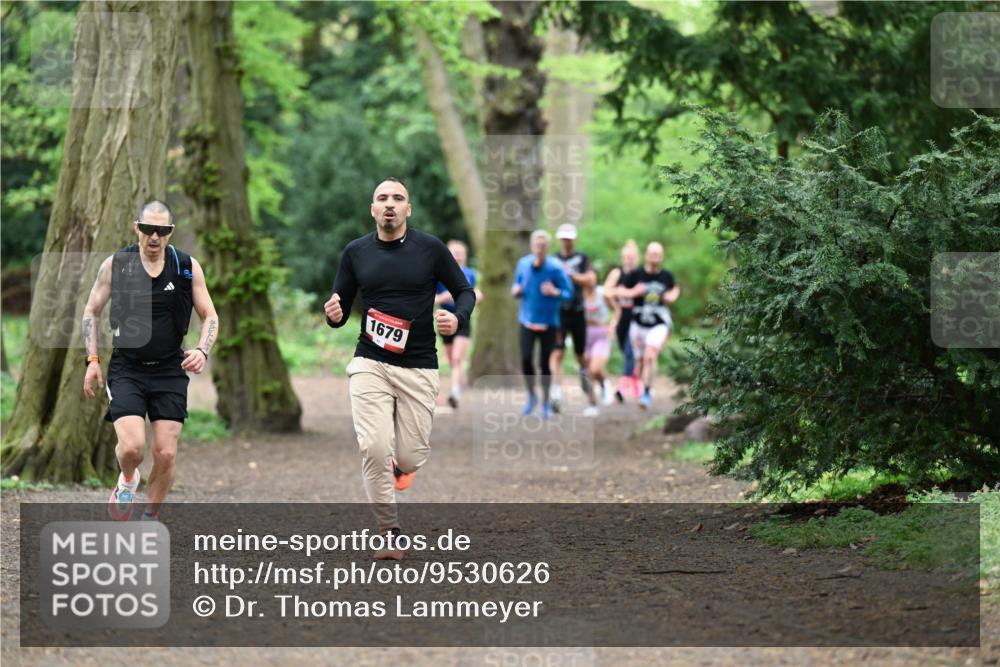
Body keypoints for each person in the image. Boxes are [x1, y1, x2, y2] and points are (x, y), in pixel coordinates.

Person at [324, 178, 475, 560]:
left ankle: (401, 467)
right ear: (372, 209)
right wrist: (334, 314)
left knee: (409, 457)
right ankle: (389, 533)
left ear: (408, 209)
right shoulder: (356, 252)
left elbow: (465, 291)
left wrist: (457, 318)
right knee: (373, 448)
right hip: (369, 361)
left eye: (398, 198)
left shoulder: (430, 248)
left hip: (419, 366)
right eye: (382, 198)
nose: (389, 204)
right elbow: (339, 305)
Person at [82, 200, 219, 521]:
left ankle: (150, 517)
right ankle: (128, 478)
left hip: (170, 370)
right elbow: (91, 310)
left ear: (170, 232)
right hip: (127, 369)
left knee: (166, 453)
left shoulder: (186, 267)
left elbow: (209, 315)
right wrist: (92, 360)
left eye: (162, 231)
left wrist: (202, 349)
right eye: (148, 229)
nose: (154, 237)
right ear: (137, 228)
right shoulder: (116, 265)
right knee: (132, 449)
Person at [512, 230, 574, 419]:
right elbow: (516, 286)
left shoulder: (555, 268)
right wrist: (516, 290)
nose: (539, 248)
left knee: (545, 364)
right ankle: (532, 396)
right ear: (532, 246)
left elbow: (569, 293)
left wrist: (555, 292)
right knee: (525, 360)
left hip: (548, 323)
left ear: (547, 247)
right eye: (536, 245)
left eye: (543, 245)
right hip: (527, 321)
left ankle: (546, 402)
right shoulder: (523, 264)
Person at [619, 242, 680, 409]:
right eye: (652, 253)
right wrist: (633, 293)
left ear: (662, 256)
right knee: (639, 361)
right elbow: (618, 291)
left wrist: (671, 297)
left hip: (658, 323)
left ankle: (646, 393)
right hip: (638, 324)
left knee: (650, 355)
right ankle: (637, 386)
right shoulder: (635, 274)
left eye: (658, 254)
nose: (655, 257)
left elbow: (675, 289)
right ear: (646, 255)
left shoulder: (667, 276)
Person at [550, 223, 597, 414]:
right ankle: (556, 394)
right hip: (559, 312)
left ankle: (591, 397)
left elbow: (591, 280)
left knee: (581, 357)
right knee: (557, 353)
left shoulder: (582, 259)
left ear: (574, 240)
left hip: (578, 312)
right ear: (559, 240)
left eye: (570, 238)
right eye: (564, 238)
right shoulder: (553, 260)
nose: (567, 242)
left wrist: (571, 275)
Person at [434, 240, 483, 410]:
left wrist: (476, 296)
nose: (458, 256)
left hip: (463, 320)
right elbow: (430, 299)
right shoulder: (439, 275)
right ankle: (461, 381)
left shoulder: (470, 274)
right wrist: (443, 298)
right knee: (453, 361)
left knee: (456, 358)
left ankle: (454, 394)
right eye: (454, 252)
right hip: (444, 319)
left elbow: (476, 294)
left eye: (461, 253)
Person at [603, 240, 641, 402]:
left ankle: (623, 386)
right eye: (626, 257)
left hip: (637, 318)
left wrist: (622, 292)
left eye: (632, 257)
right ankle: (636, 382)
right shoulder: (617, 273)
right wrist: (616, 307)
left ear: (637, 258)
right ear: (622, 258)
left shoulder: (641, 274)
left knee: (630, 351)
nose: (629, 260)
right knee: (625, 351)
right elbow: (606, 292)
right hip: (621, 317)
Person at [580, 277, 614, 416]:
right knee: (587, 372)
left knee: (594, 369)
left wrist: (613, 324)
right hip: (583, 335)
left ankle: (604, 385)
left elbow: (617, 309)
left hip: (601, 334)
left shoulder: (603, 293)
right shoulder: (578, 294)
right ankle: (593, 403)